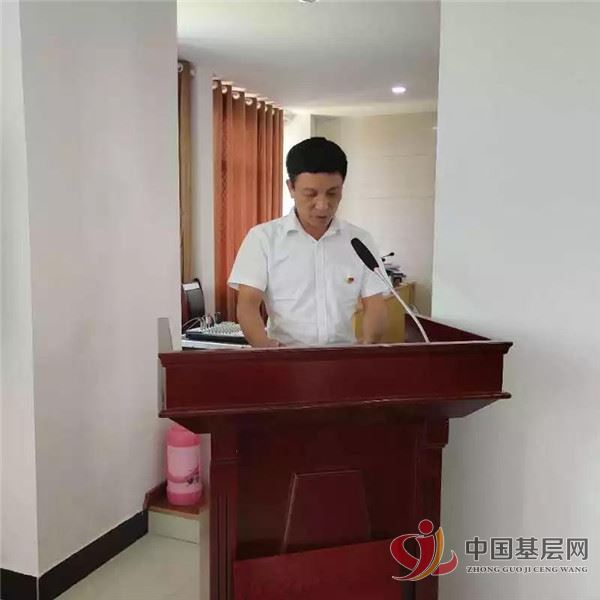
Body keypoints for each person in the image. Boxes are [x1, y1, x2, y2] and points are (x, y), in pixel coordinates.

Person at [228, 137, 388, 348]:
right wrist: (266, 347)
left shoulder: (359, 241)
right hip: (284, 356)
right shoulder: (263, 239)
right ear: (291, 188)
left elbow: (375, 303)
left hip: (342, 356)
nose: (322, 205)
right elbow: (247, 306)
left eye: (332, 193)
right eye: (310, 194)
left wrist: (369, 342)